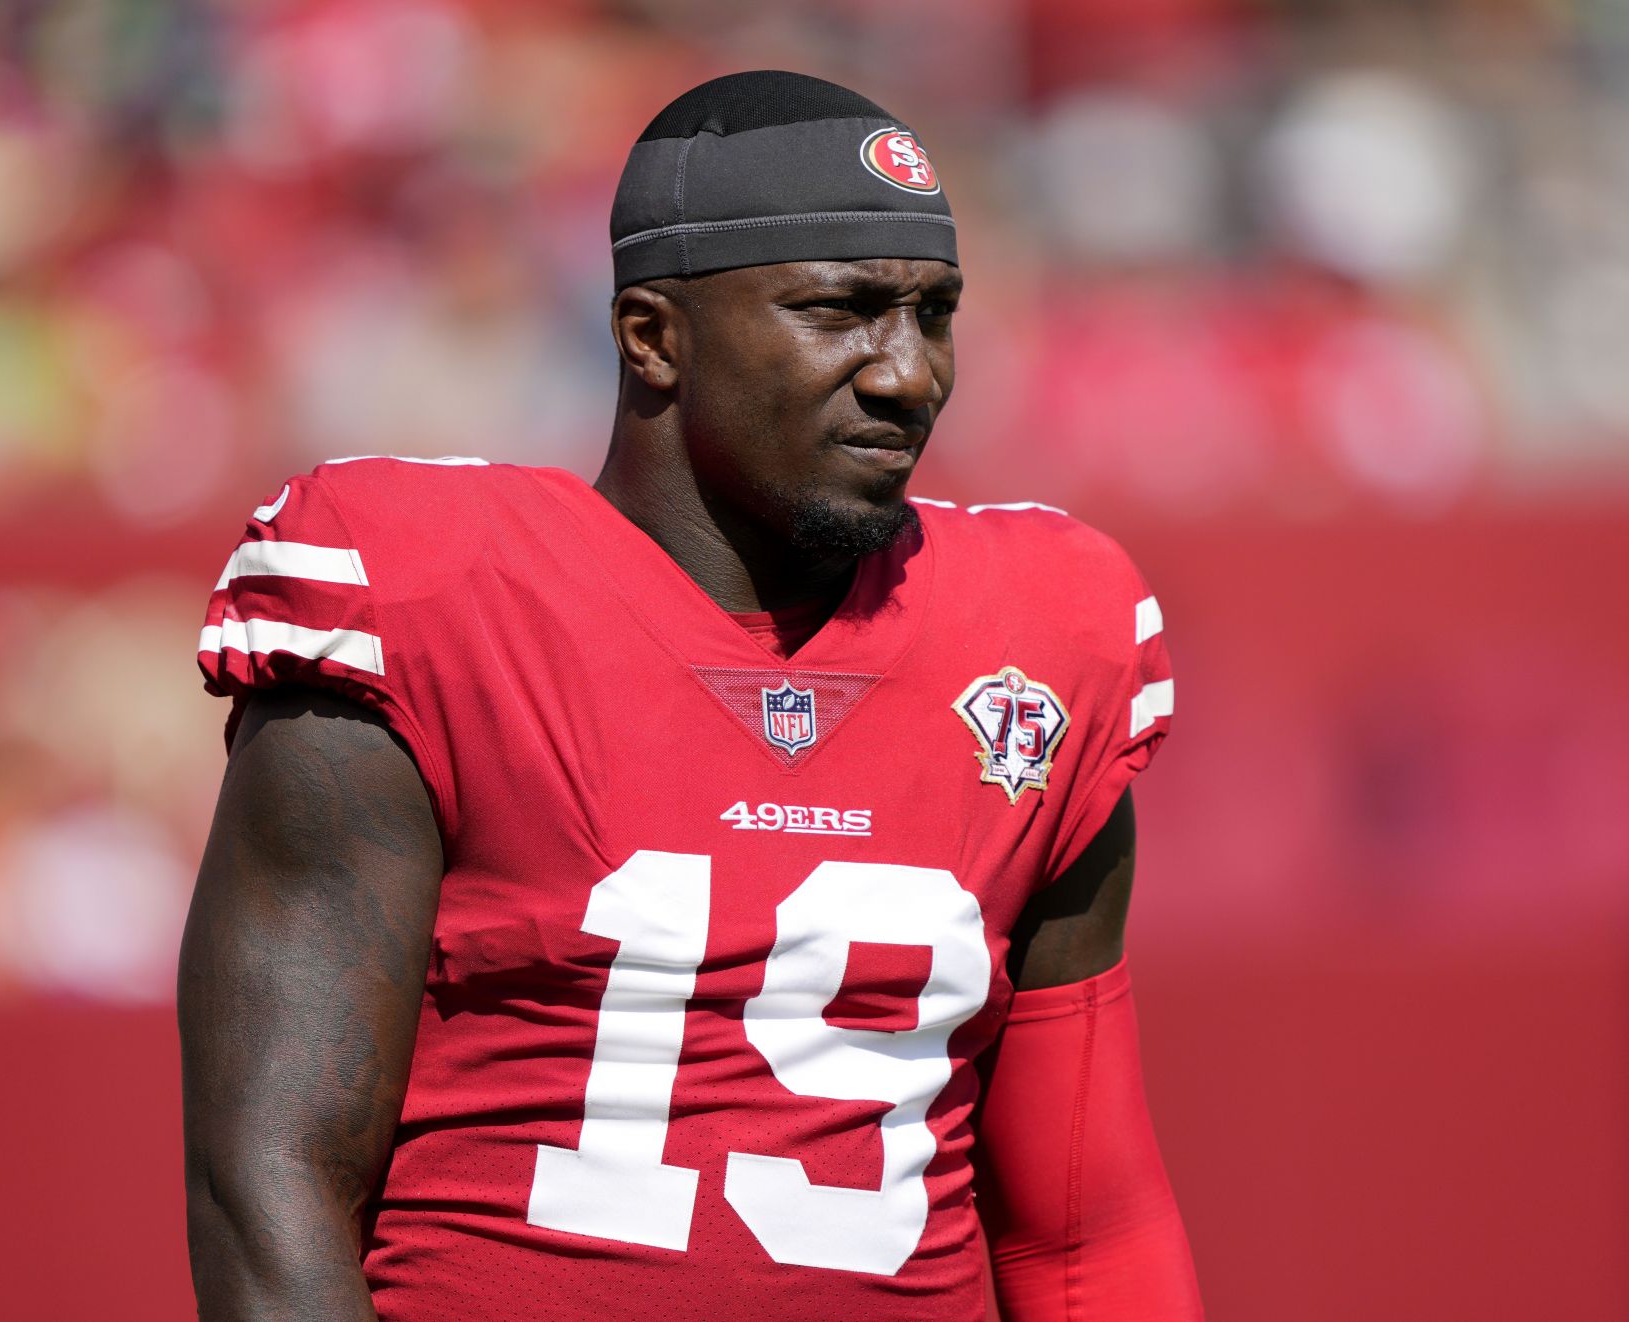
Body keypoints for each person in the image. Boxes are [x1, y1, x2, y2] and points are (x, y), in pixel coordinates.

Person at [180, 70, 1202, 1321]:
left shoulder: (1048, 638)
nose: (907, 374)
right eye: (841, 310)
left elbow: (1082, 1227)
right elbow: (271, 1180)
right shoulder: (425, 597)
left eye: (934, 315)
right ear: (652, 335)